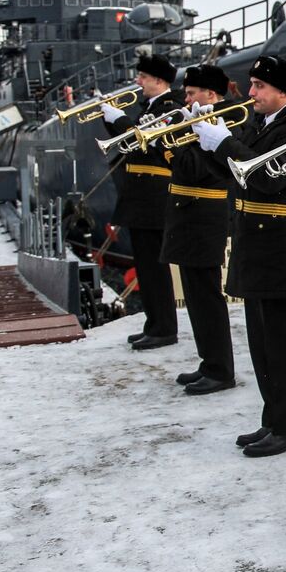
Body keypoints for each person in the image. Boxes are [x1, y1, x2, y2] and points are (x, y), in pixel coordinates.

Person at [193, 54, 286, 458]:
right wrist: (208, 143)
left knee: (281, 341)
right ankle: (273, 417)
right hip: (257, 240)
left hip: (282, 240)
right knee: (261, 339)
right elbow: (234, 176)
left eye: (259, 86)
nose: (251, 94)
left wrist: (224, 142)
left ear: (283, 91)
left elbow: (266, 178)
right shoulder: (260, 122)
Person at [162, 64, 235, 394]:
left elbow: (194, 168)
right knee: (195, 294)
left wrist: (170, 146)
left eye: (192, 92)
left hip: (204, 214)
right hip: (188, 214)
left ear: (211, 94)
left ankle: (220, 369)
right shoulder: (196, 121)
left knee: (206, 296)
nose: (186, 98)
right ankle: (209, 362)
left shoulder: (222, 122)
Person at [101, 53, 181, 350]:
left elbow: (149, 147)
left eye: (144, 77)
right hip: (140, 196)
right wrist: (112, 122)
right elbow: (129, 147)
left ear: (159, 81)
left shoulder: (169, 108)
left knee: (155, 268)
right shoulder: (150, 107)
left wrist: (120, 121)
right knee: (146, 267)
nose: (138, 81)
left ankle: (164, 328)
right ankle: (153, 324)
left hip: (154, 197)